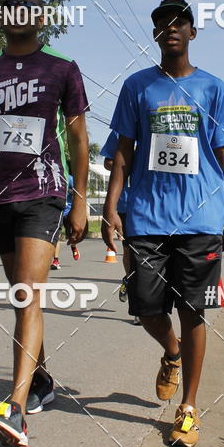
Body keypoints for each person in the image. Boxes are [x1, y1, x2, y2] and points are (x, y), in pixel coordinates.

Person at [0, 0, 89, 447]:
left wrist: (81, 198)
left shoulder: (62, 69)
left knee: (29, 294)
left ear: (40, 17)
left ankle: (15, 407)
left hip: (44, 193)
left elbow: (78, 139)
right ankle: (44, 379)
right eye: (8, 8)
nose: (16, 14)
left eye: (25, 8)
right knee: (21, 299)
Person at [102, 0, 224, 447]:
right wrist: (111, 207)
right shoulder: (137, 88)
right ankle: (172, 351)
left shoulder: (213, 88)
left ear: (193, 32)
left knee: (193, 310)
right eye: (163, 24)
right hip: (146, 215)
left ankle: (188, 408)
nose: (171, 29)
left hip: (201, 216)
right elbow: (122, 153)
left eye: (180, 23)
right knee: (145, 306)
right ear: (156, 34)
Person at [100, 131, 140, 323]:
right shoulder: (121, 130)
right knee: (131, 252)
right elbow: (107, 161)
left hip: (153, 202)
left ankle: (136, 287)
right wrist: (127, 163)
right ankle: (134, 294)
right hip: (125, 204)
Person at [51, 172, 80, 269]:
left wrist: (69, 191)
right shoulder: (52, 176)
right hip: (57, 211)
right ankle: (56, 261)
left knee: (70, 235)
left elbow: (78, 192)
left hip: (68, 211)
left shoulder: (70, 178)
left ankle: (73, 246)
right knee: (56, 236)